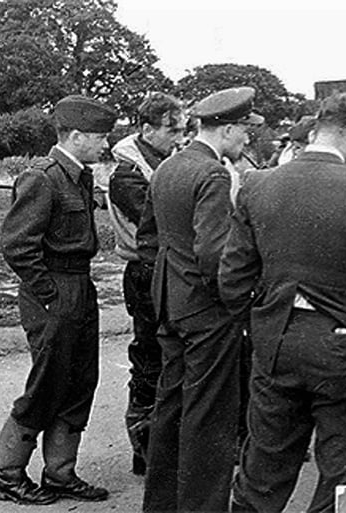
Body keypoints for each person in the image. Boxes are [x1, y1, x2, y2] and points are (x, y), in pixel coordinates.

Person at [220, 92, 346, 513]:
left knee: (263, 467)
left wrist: (259, 327)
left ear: (316, 132)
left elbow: (232, 278)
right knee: (345, 472)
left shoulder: (258, 184)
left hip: (277, 343)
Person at [141, 87, 263, 513]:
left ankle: (161, 506)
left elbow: (148, 239)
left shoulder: (167, 167)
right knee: (210, 417)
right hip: (207, 311)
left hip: (170, 303)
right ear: (226, 129)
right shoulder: (212, 174)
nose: (247, 139)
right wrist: (238, 302)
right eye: (245, 130)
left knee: (171, 409)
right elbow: (214, 255)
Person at [0, 95, 117, 505]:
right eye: (100, 136)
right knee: (47, 384)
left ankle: (60, 474)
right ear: (76, 136)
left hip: (80, 286)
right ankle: (8, 475)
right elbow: (17, 245)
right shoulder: (42, 177)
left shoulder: (79, 176)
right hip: (55, 291)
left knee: (80, 382)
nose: (105, 144)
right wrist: (49, 295)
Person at [107, 91, 186, 476]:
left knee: (168, 355)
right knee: (150, 358)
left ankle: (162, 444)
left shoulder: (161, 162)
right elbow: (158, 220)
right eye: (172, 130)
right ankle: (146, 448)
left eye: (182, 130)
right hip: (145, 272)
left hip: (164, 267)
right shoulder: (127, 174)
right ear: (146, 129)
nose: (179, 138)